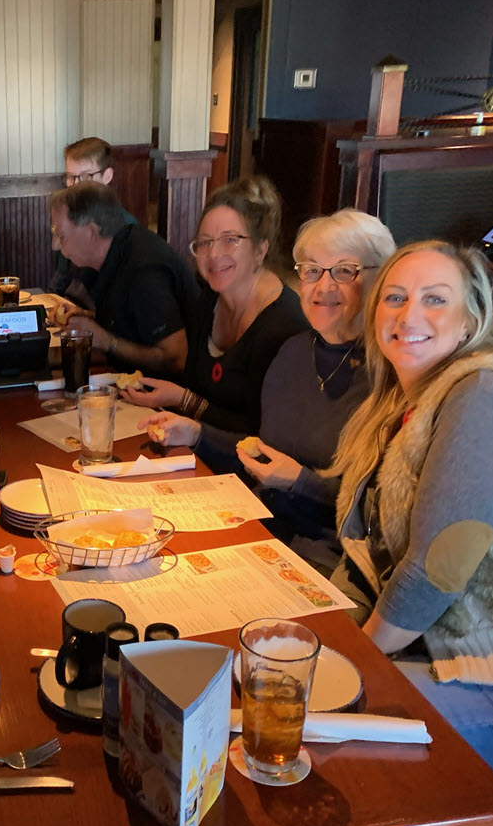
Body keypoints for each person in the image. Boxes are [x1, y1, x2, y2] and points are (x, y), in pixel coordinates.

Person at [330, 241, 493, 772]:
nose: (410, 315)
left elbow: (439, 567)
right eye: (395, 298)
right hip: (430, 656)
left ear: (470, 320)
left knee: (309, 731)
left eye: (435, 299)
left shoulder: (486, 396)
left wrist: (349, 663)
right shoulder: (404, 400)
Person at [141, 210, 395, 566]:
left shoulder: (390, 373)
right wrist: (198, 434)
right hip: (259, 528)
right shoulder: (293, 352)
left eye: (343, 271)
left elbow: (385, 514)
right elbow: (263, 454)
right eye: (311, 271)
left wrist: (302, 483)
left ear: (380, 279)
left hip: (331, 560)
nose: (324, 287)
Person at [123, 176, 308, 433]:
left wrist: (183, 400)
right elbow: (193, 386)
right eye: (205, 242)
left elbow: (260, 434)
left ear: (260, 250)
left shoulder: (283, 326)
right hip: (200, 455)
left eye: (230, 240)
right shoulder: (209, 299)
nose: (213, 254)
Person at [47, 182, 196, 375]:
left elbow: (177, 359)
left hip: (167, 396)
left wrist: (107, 340)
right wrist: (86, 318)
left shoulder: (144, 270)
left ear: (91, 232)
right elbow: (133, 321)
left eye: (61, 235)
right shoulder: (111, 256)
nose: (56, 246)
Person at [48, 137, 136, 302]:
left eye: (85, 176)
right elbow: (59, 282)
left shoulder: (126, 227)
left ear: (107, 176)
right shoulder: (66, 221)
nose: (75, 186)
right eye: (70, 177)